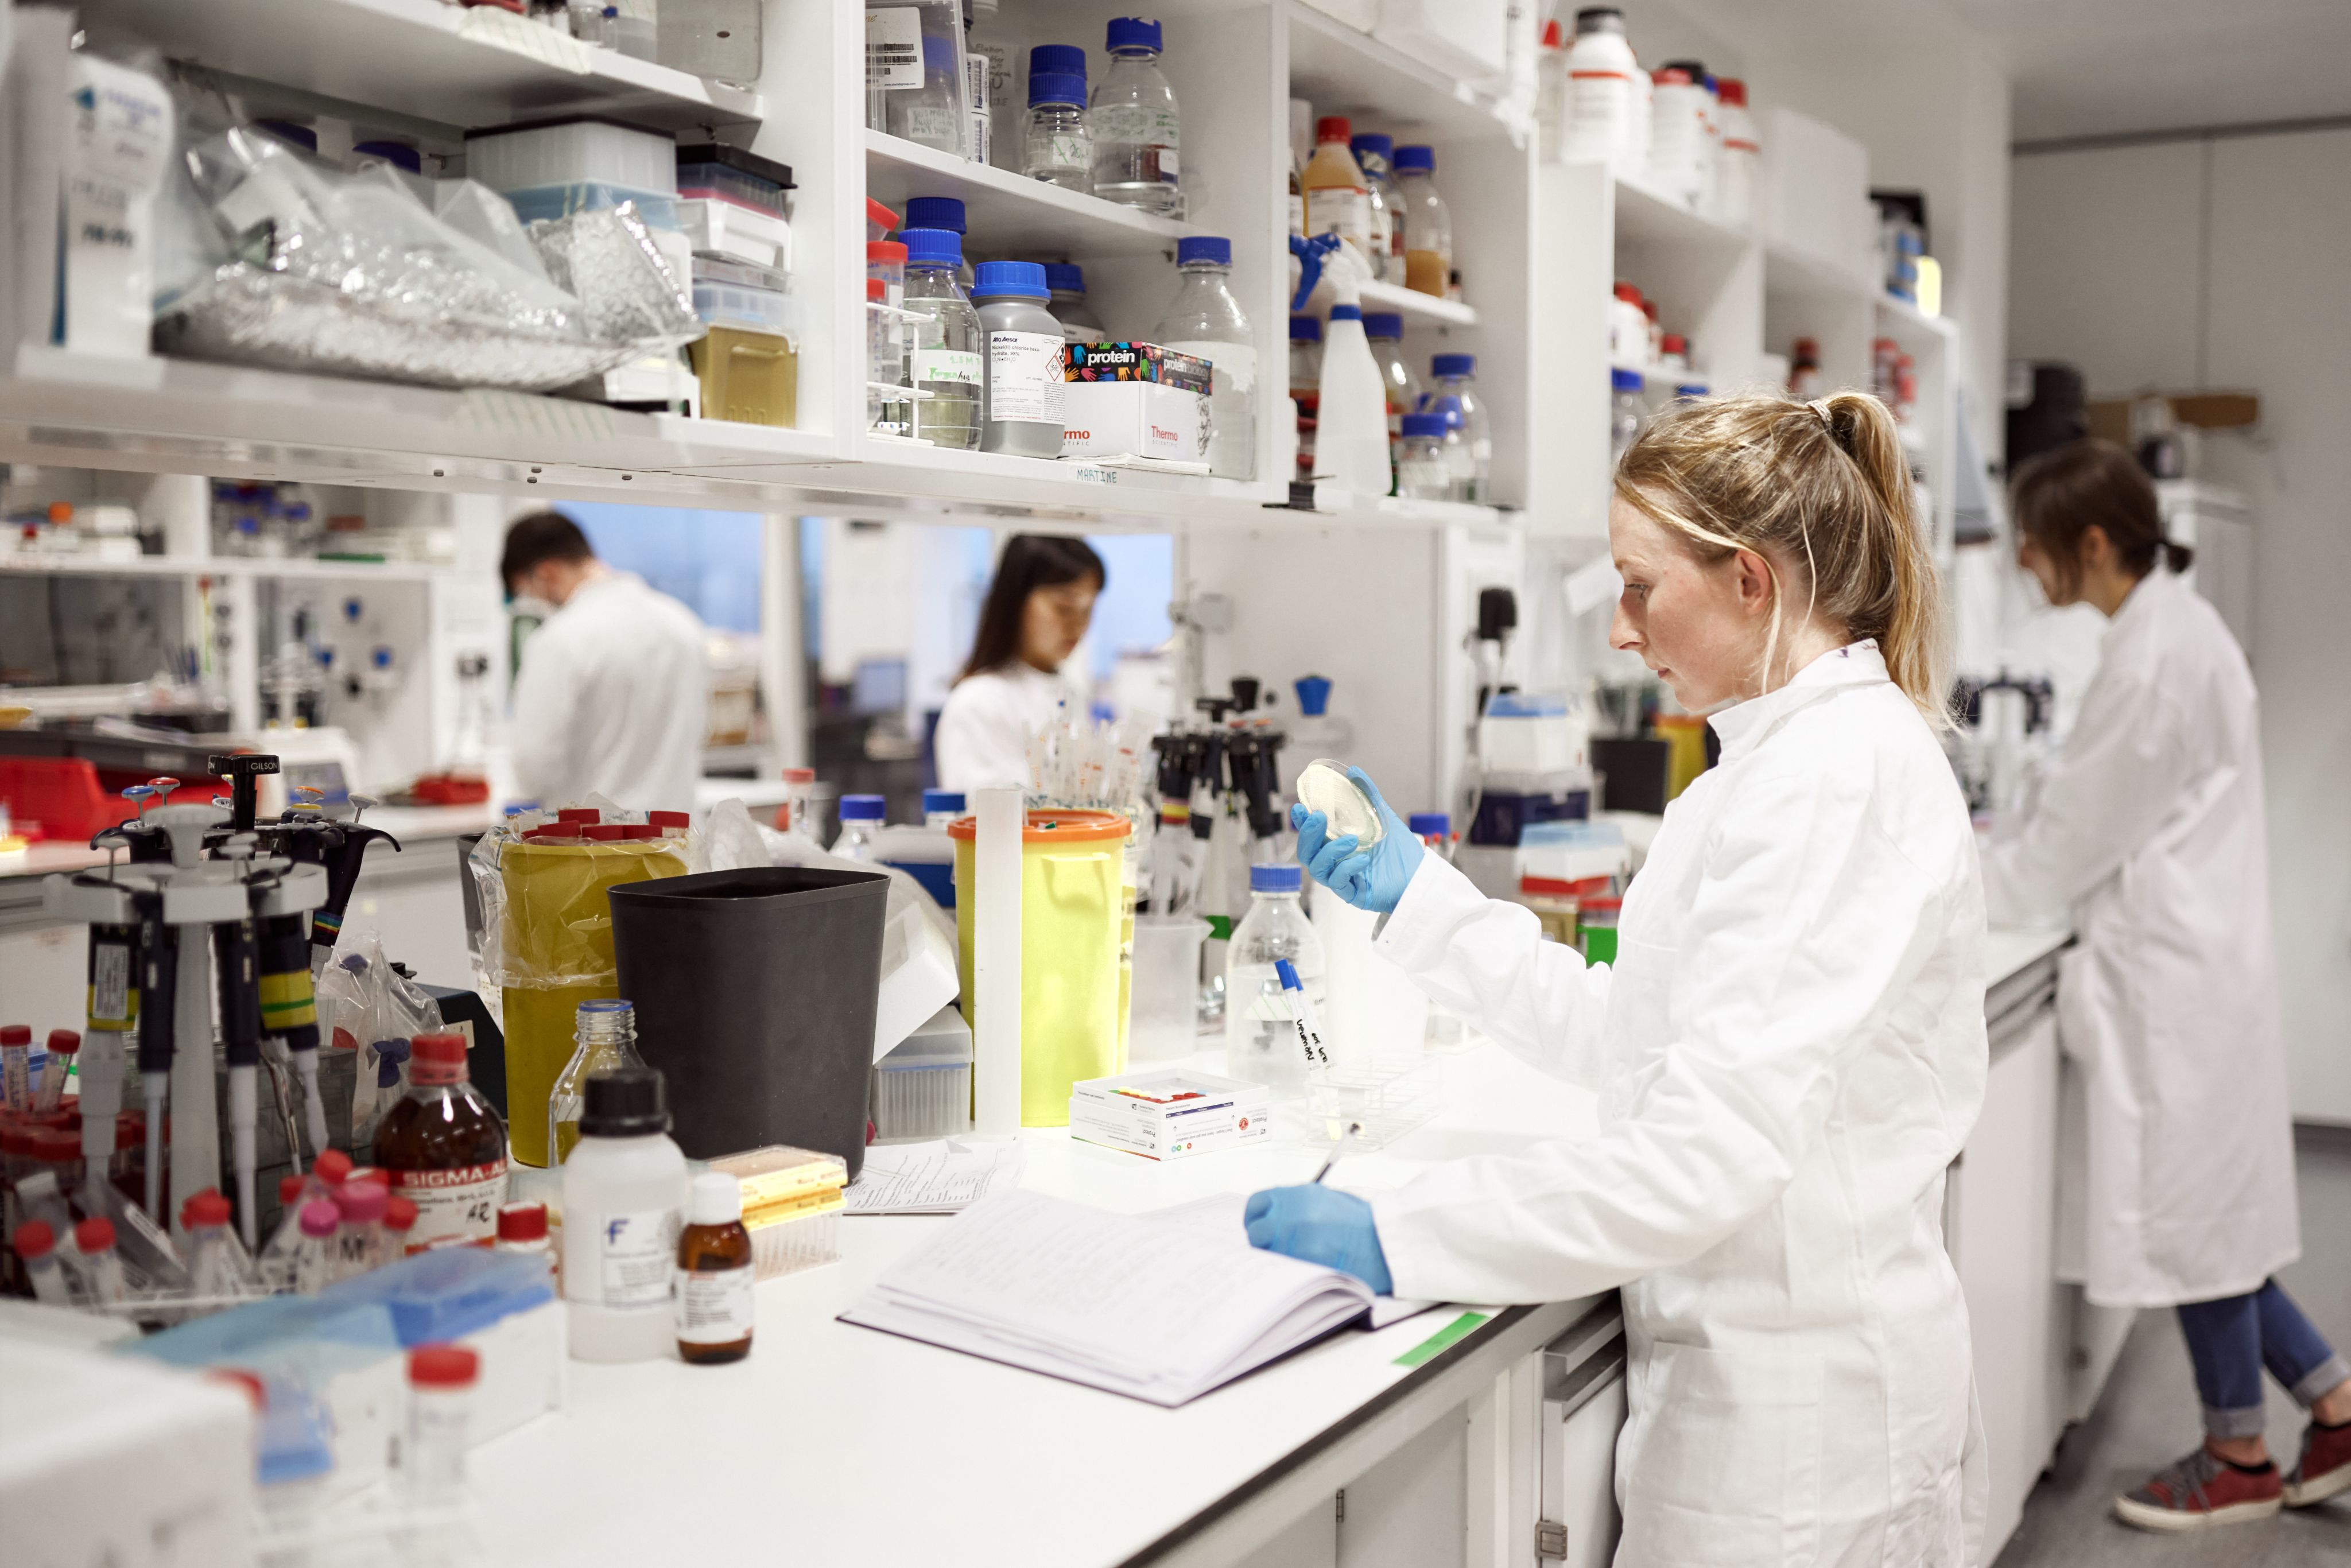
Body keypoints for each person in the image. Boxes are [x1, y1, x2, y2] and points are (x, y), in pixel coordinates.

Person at [1251, 391, 1990, 1564]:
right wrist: (1422, 903)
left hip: (1800, 1440)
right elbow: (1640, 1039)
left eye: (1641, 587)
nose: (1620, 626)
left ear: (1751, 580)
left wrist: (1407, 1231)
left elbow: (1703, 1154)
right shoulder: (1764, 764)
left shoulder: (1830, 780)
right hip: (1751, 1385)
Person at [1983, 439, 2348, 1532]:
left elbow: (2064, 849)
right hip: (2192, 962)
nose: (2025, 568)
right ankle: (2333, 1404)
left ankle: (2238, 1451)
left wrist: (1946, 872)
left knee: (2197, 1225)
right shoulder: (2172, 633)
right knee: (2212, 1223)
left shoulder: (2151, 661)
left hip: (2174, 978)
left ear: (2092, 543)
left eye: (2035, 549)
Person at [501, 510, 708, 813]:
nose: (535, 604)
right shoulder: (681, 623)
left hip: (598, 851)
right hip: (678, 847)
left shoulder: (560, 639)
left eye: (527, 592)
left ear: (546, 574)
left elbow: (533, 766)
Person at [932, 535, 1102, 793]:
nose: (1078, 625)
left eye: (1088, 610)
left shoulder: (1069, 692)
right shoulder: (978, 701)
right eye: (1064, 608)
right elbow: (979, 812)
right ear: (1016, 602)